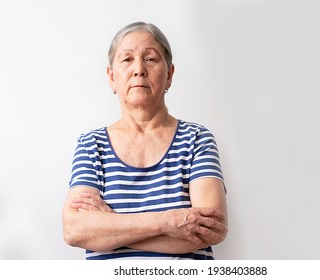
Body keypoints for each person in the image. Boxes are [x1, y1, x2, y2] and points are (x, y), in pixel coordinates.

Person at [62, 22, 228, 260]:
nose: (139, 69)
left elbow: (210, 229)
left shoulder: (197, 139)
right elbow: (74, 230)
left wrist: (110, 228)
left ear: (169, 74)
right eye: (127, 59)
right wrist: (169, 222)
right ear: (111, 77)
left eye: (150, 59)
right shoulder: (91, 145)